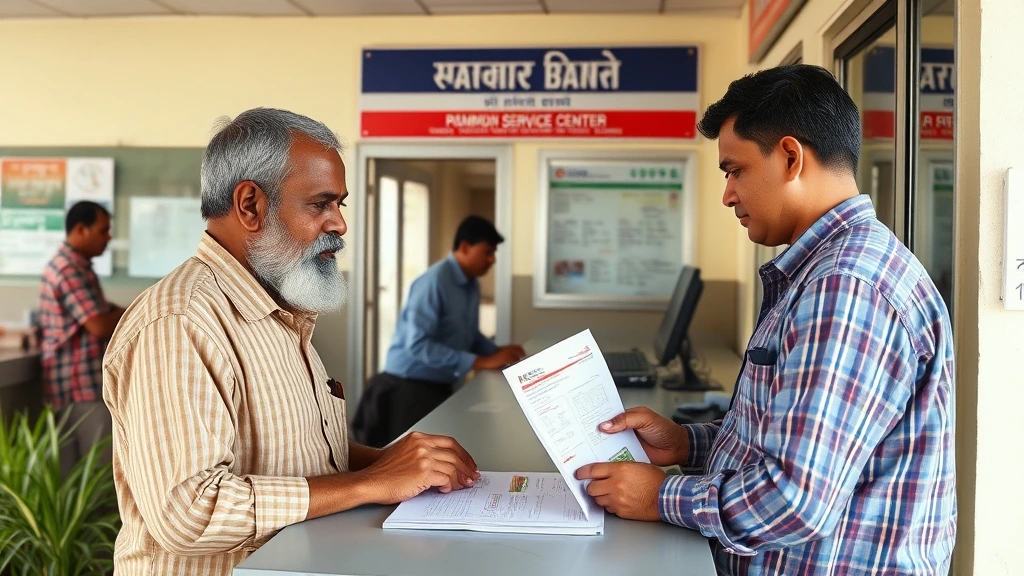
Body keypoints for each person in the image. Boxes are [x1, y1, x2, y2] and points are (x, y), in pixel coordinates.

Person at [575, 65, 956, 575]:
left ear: (791, 157)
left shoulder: (845, 286)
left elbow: (794, 498)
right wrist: (686, 443)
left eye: (735, 170)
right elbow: (779, 440)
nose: (728, 195)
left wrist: (661, 496)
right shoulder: (829, 269)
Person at [102, 108, 480, 576]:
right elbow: (189, 512)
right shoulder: (179, 323)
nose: (339, 224)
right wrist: (370, 482)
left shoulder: (279, 310)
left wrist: (392, 461)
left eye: (339, 205)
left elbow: (294, 450)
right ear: (250, 206)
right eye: (320, 204)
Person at [360, 216, 526, 445]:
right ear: (465, 247)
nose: (492, 259)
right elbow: (418, 345)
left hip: (439, 387)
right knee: (412, 464)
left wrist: (496, 351)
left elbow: (468, 334)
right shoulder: (434, 282)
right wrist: (478, 362)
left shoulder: (471, 284)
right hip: (407, 389)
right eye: (487, 251)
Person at [38, 200, 124, 476]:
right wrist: (133, 315)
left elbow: (103, 313)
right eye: (103, 230)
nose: (108, 237)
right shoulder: (68, 269)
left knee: (88, 473)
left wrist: (118, 313)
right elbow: (99, 325)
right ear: (80, 229)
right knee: (97, 475)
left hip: (82, 386)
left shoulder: (79, 266)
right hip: (79, 388)